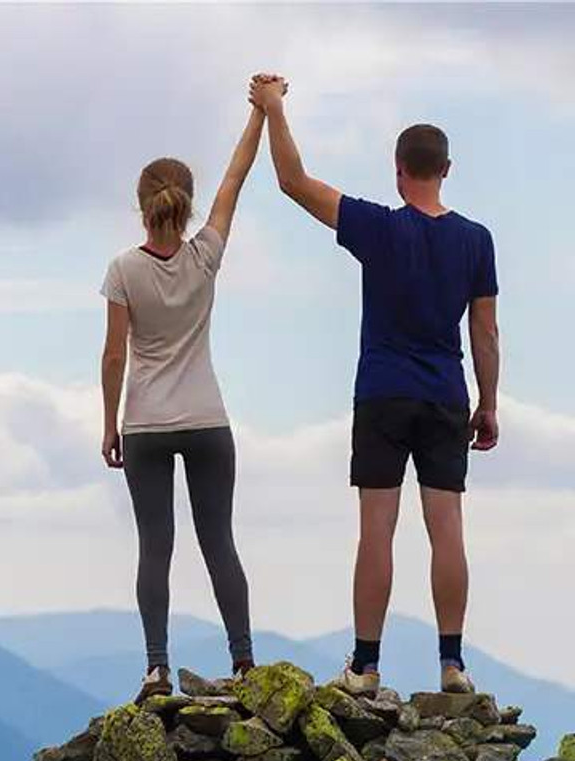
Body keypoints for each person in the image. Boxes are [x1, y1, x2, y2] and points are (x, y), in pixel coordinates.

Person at [249, 74, 500, 696]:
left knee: (376, 529)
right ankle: (452, 664)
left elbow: (292, 181)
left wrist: (275, 108)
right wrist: (489, 403)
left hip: (383, 390)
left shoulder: (378, 227)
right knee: (447, 527)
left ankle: (364, 665)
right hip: (446, 392)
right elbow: (486, 334)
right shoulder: (476, 241)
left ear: (397, 170)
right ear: (447, 169)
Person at [101, 94, 268, 702]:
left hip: (145, 422)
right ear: (187, 203)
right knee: (218, 539)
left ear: (140, 205)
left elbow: (115, 354)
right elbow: (236, 177)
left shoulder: (123, 268)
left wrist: (109, 424)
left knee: (156, 544)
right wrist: (260, 114)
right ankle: (246, 662)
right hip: (206, 420)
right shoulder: (206, 256)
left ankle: (156, 668)